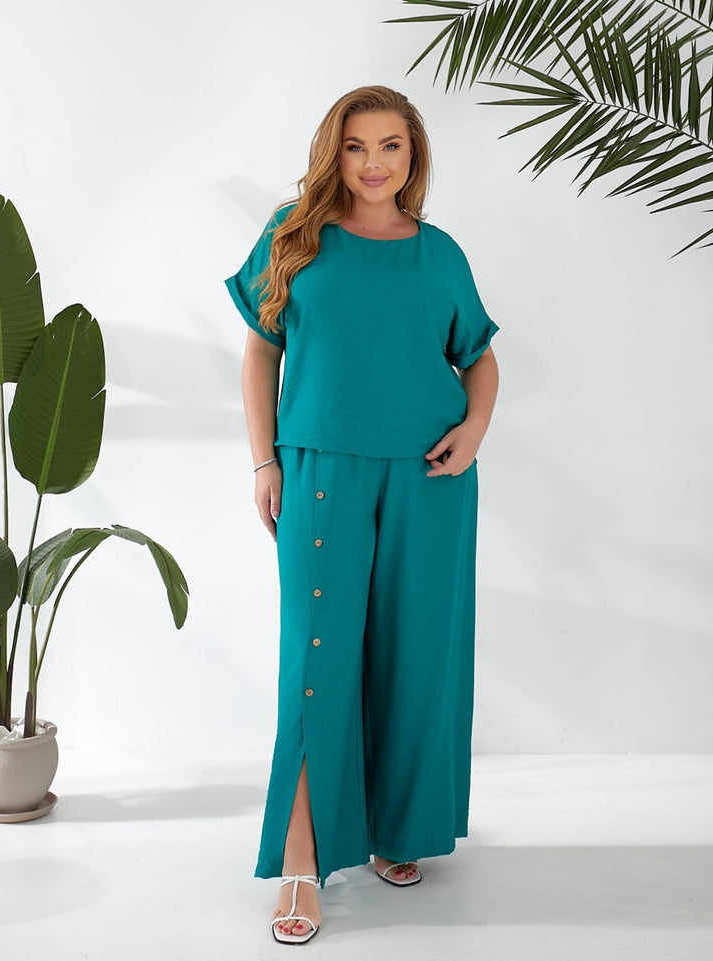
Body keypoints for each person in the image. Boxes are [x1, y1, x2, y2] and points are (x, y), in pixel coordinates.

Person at [224, 84, 500, 945]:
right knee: (318, 661)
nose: (373, 163)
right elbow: (260, 354)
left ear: (413, 156)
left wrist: (475, 428)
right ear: (333, 154)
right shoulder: (294, 237)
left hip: (431, 475)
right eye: (356, 146)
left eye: (390, 146)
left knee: (415, 655)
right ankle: (301, 858)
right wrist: (265, 459)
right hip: (320, 470)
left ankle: (395, 829)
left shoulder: (440, 253)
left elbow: (478, 356)